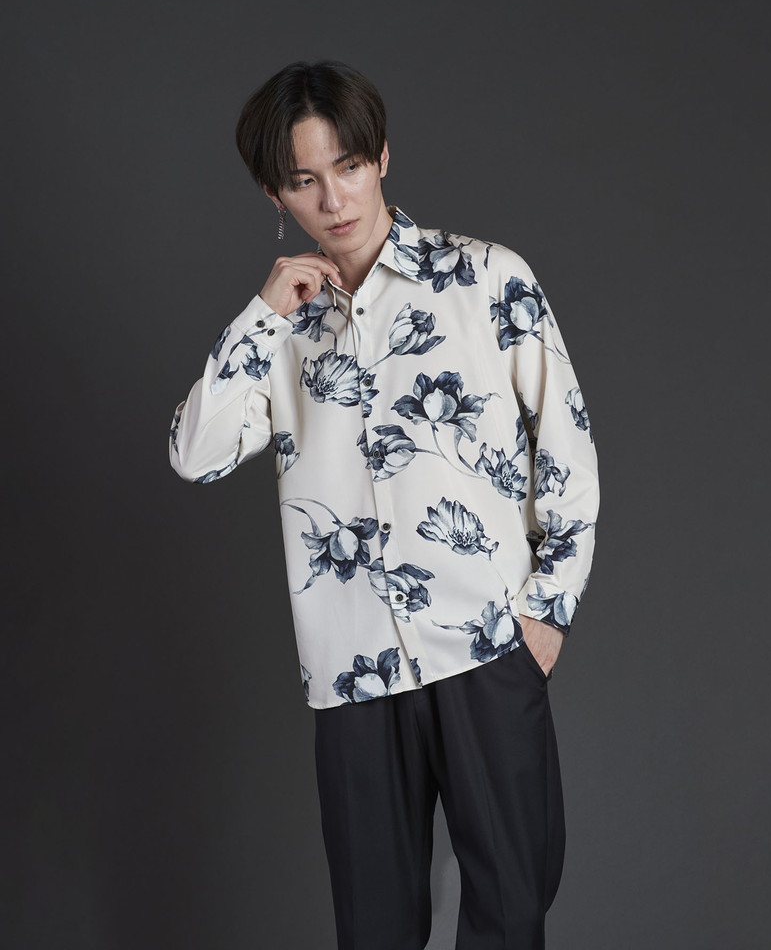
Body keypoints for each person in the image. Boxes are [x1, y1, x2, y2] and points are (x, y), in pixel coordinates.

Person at [169, 59, 599, 950]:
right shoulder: (283, 330)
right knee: (374, 930)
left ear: (383, 157)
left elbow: (566, 448)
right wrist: (261, 315)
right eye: (304, 181)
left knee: (512, 911)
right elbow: (194, 456)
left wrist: (546, 614)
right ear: (274, 194)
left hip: (485, 647)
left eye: (350, 165)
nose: (335, 199)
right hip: (353, 673)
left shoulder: (486, 278)